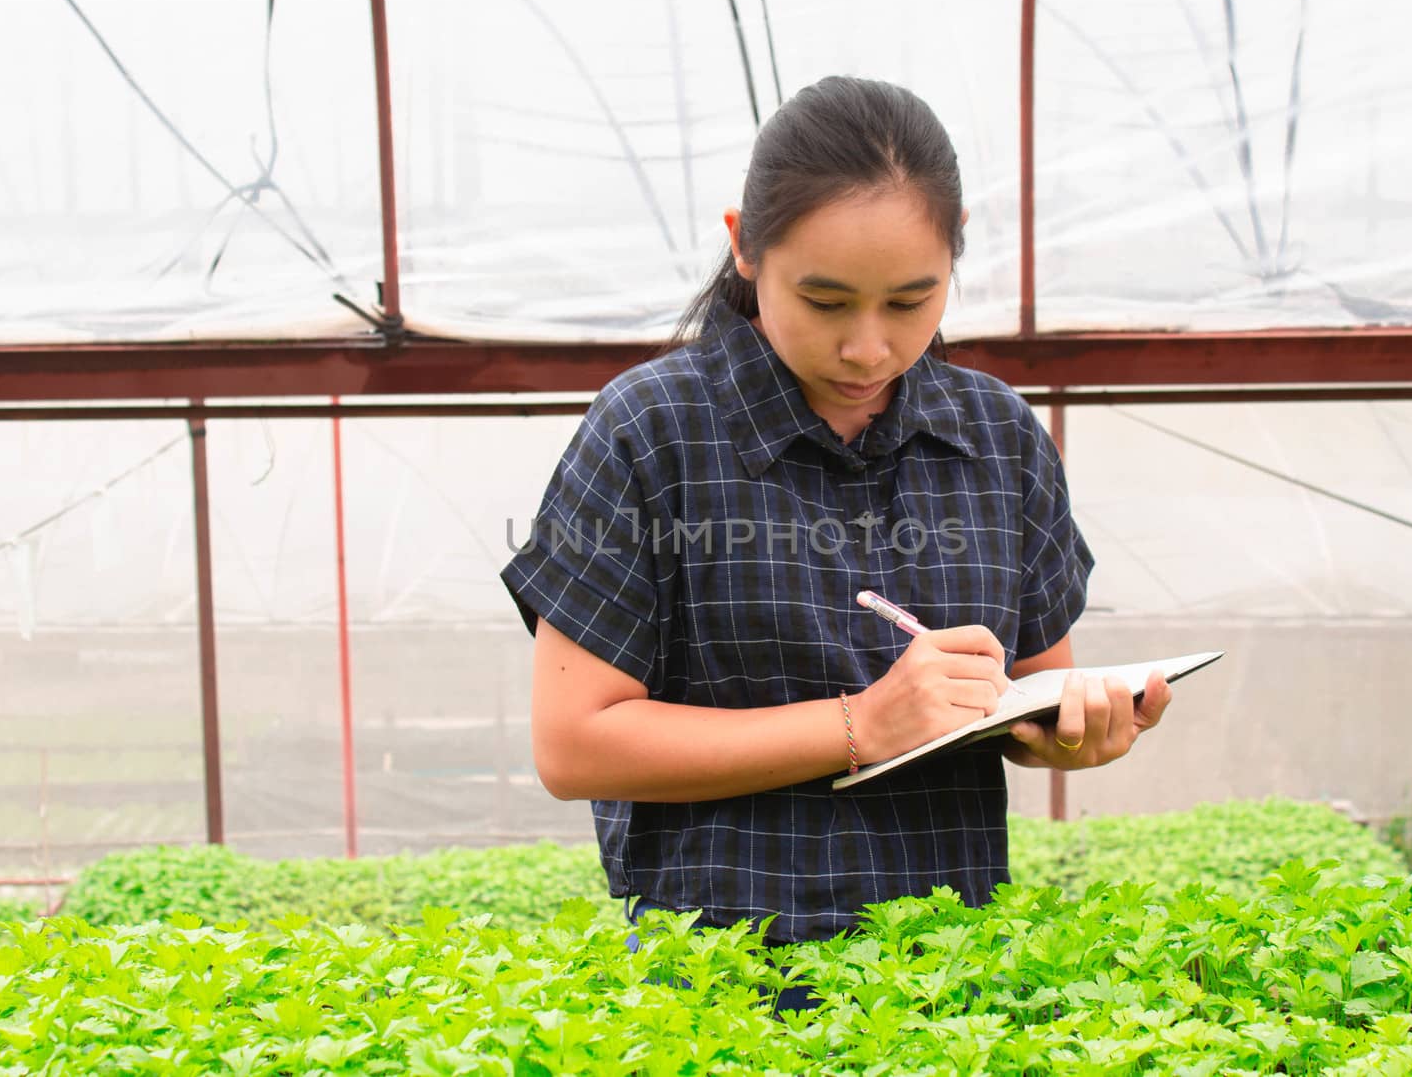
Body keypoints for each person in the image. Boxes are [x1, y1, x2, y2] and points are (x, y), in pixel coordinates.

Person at [501, 75, 1171, 950]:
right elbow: (575, 746)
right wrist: (864, 724)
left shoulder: (997, 436)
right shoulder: (652, 432)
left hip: (947, 981)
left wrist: (1069, 731)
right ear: (745, 248)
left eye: (910, 302)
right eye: (824, 302)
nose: (869, 346)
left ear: (955, 257)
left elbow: (1030, 687)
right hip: (719, 983)